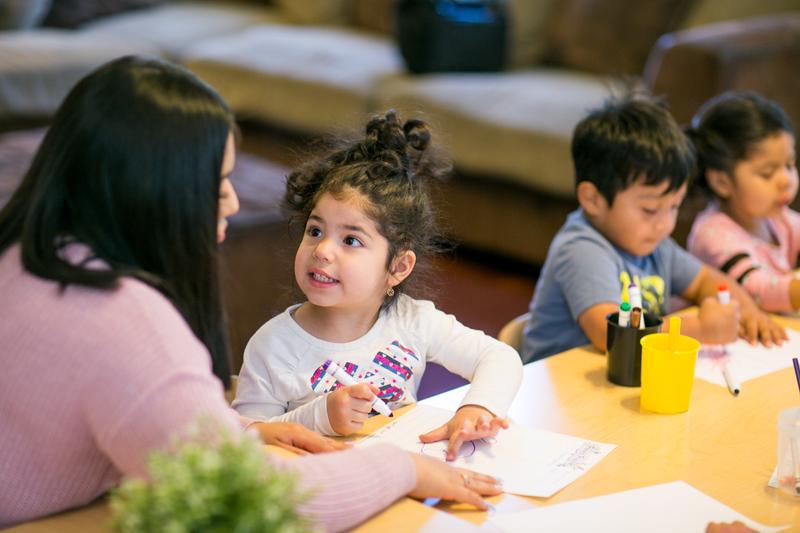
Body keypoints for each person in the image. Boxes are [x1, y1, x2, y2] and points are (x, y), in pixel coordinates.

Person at [0, 56, 502, 529]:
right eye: (217, 182)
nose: (234, 202)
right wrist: (404, 469)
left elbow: (163, 425)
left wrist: (243, 431)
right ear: (157, 189)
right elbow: (251, 500)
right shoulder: (125, 324)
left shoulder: (28, 255)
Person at [233, 110, 523, 460]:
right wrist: (320, 416)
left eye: (351, 240)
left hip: (401, 482)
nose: (322, 250)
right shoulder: (273, 347)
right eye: (315, 231)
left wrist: (477, 410)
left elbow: (499, 356)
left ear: (398, 267)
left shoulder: (412, 321)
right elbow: (248, 441)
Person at [521, 91, 786, 363]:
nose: (665, 224)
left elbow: (707, 281)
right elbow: (610, 335)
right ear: (593, 199)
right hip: (560, 387)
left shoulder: (653, 242)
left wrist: (749, 311)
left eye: (674, 207)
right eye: (650, 209)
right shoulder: (581, 249)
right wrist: (700, 329)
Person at [686, 92, 800, 313]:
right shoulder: (713, 234)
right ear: (722, 181)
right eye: (767, 173)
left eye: (789, 164)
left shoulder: (778, 217)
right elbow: (758, 292)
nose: (786, 180)